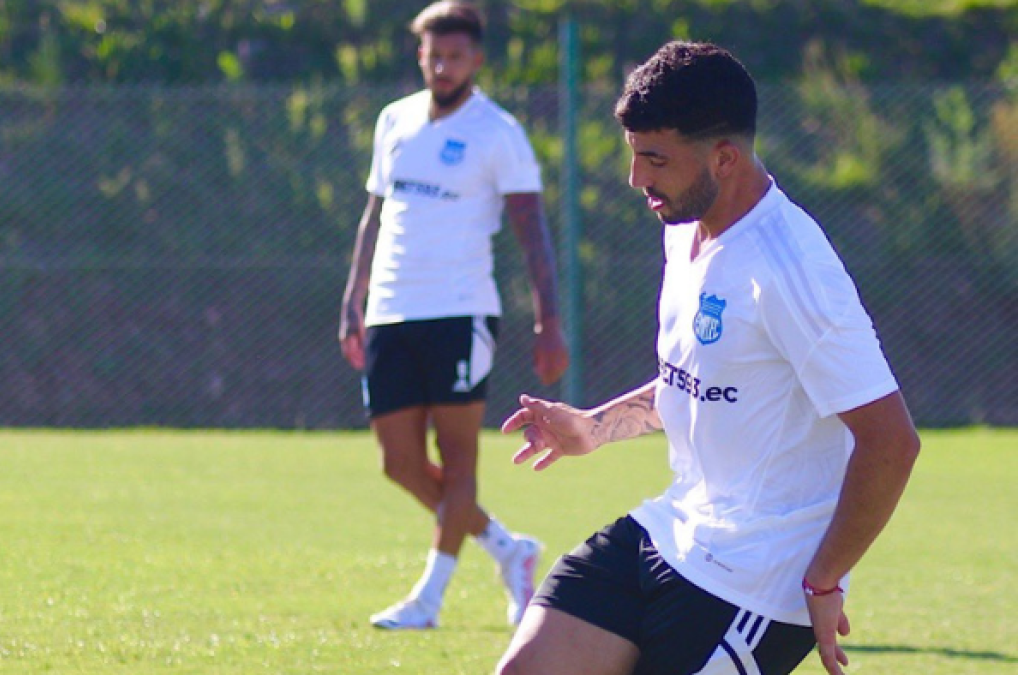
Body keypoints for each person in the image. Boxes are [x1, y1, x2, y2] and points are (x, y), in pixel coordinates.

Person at [495, 41, 921, 675]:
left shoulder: (792, 269)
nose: (636, 178)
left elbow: (891, 442)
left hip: (759, 582)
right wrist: (596, 426)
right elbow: (703, 379)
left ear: (724, 158)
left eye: (656, 159)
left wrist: (825, 579)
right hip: (672, 529)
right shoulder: (683, 230)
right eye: (634, 154)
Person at [338, 1, 569, 631]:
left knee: (459, 458)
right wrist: (354, 299)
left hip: (460, 311)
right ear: (420, 56)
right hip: (391, 310)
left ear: (477, 60)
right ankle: (508, 548)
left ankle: (429, 599)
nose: (443, 67)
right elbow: (374, 215)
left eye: (455, 56)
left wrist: (548, 320)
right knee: (398, 462)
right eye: (433, 55)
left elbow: (532, 231)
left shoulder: (499, 132)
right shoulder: (395, 120)